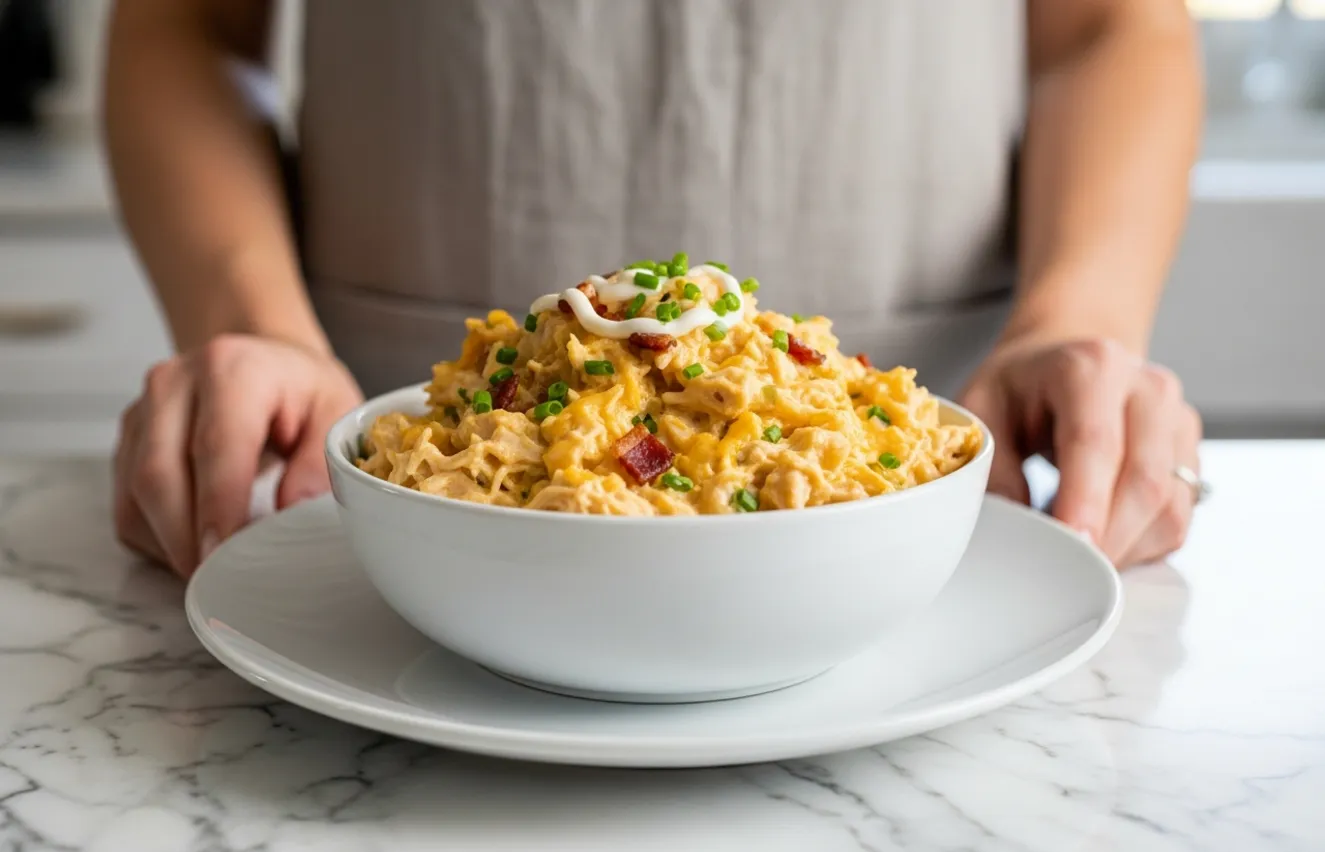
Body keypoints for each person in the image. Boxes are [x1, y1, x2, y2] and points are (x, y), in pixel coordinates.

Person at [104, 0, 1204, 578]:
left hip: (917, 446)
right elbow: (185, 22)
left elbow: (1106, 25)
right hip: (386, 438)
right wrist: (252, 322)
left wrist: (1073, 318)